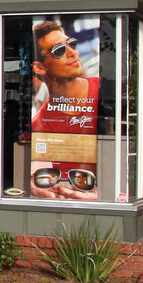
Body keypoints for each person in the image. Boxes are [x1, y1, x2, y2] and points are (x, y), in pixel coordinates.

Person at [27, 19, 100, 200]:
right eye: (59, 50)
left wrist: (106, 195)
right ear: (39, 67)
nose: (73, 52)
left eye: (71, 44)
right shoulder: (39, 125)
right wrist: (33, 186)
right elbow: (38, 173)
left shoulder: (105, 93)